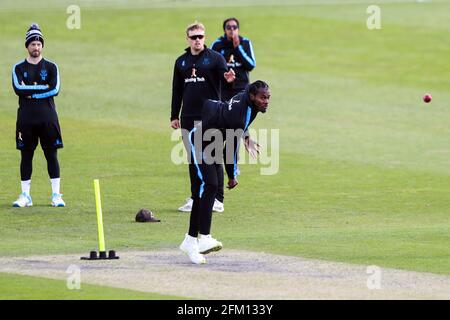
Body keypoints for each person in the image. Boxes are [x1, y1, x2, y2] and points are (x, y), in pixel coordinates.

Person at [179, 80, 270, 264]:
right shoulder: (241, 111)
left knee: (200, 194)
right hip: (199, 142)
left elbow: (237, 126)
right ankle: (204, 237)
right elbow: (232, 147)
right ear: (252, 96)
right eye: (263, 97)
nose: (266, 101)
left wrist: (246, 136)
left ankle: (190, 241)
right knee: (211, 184)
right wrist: (232, 175)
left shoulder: (245, 100)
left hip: (213, 145)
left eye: (268, 97)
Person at [171, 21, 235, 214]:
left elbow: (227, 83)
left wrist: (230, 81)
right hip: (188, 116)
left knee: (212, 156)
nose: (197, 40)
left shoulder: (216, 58)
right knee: (193, 158)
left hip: (211, 115)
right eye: (194, 37)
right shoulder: (181, 61)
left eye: (200, 36)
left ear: (204, 37)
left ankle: (218, 199)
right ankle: (195, 197)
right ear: (188, 38)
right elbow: (177, 90)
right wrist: (174, 115)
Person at [11, 23, 65, 208]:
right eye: (33, 44)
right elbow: (18, 88)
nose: (36, 47)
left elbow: (55, 89)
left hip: (48, 118)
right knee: (26, 156)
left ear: (42, 46)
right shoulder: (18, 68)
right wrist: (42, 89)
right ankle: (25, 195)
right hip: (26, 120)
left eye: (39, 44)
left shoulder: (51, 67)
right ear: (27, 46)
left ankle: (56, 195)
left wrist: (31, 92)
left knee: (52, 155)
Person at [211, 17, 256, 102]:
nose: (232, 30)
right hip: (223, 88)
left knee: (241, 114)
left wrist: (238, 48)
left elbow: (251, 65)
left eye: (234, 27)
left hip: (242, 87)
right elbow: (211, 66)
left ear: (238, 29)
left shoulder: (245, 43)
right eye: (228, 27)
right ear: (224, 30)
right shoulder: (217, 44)